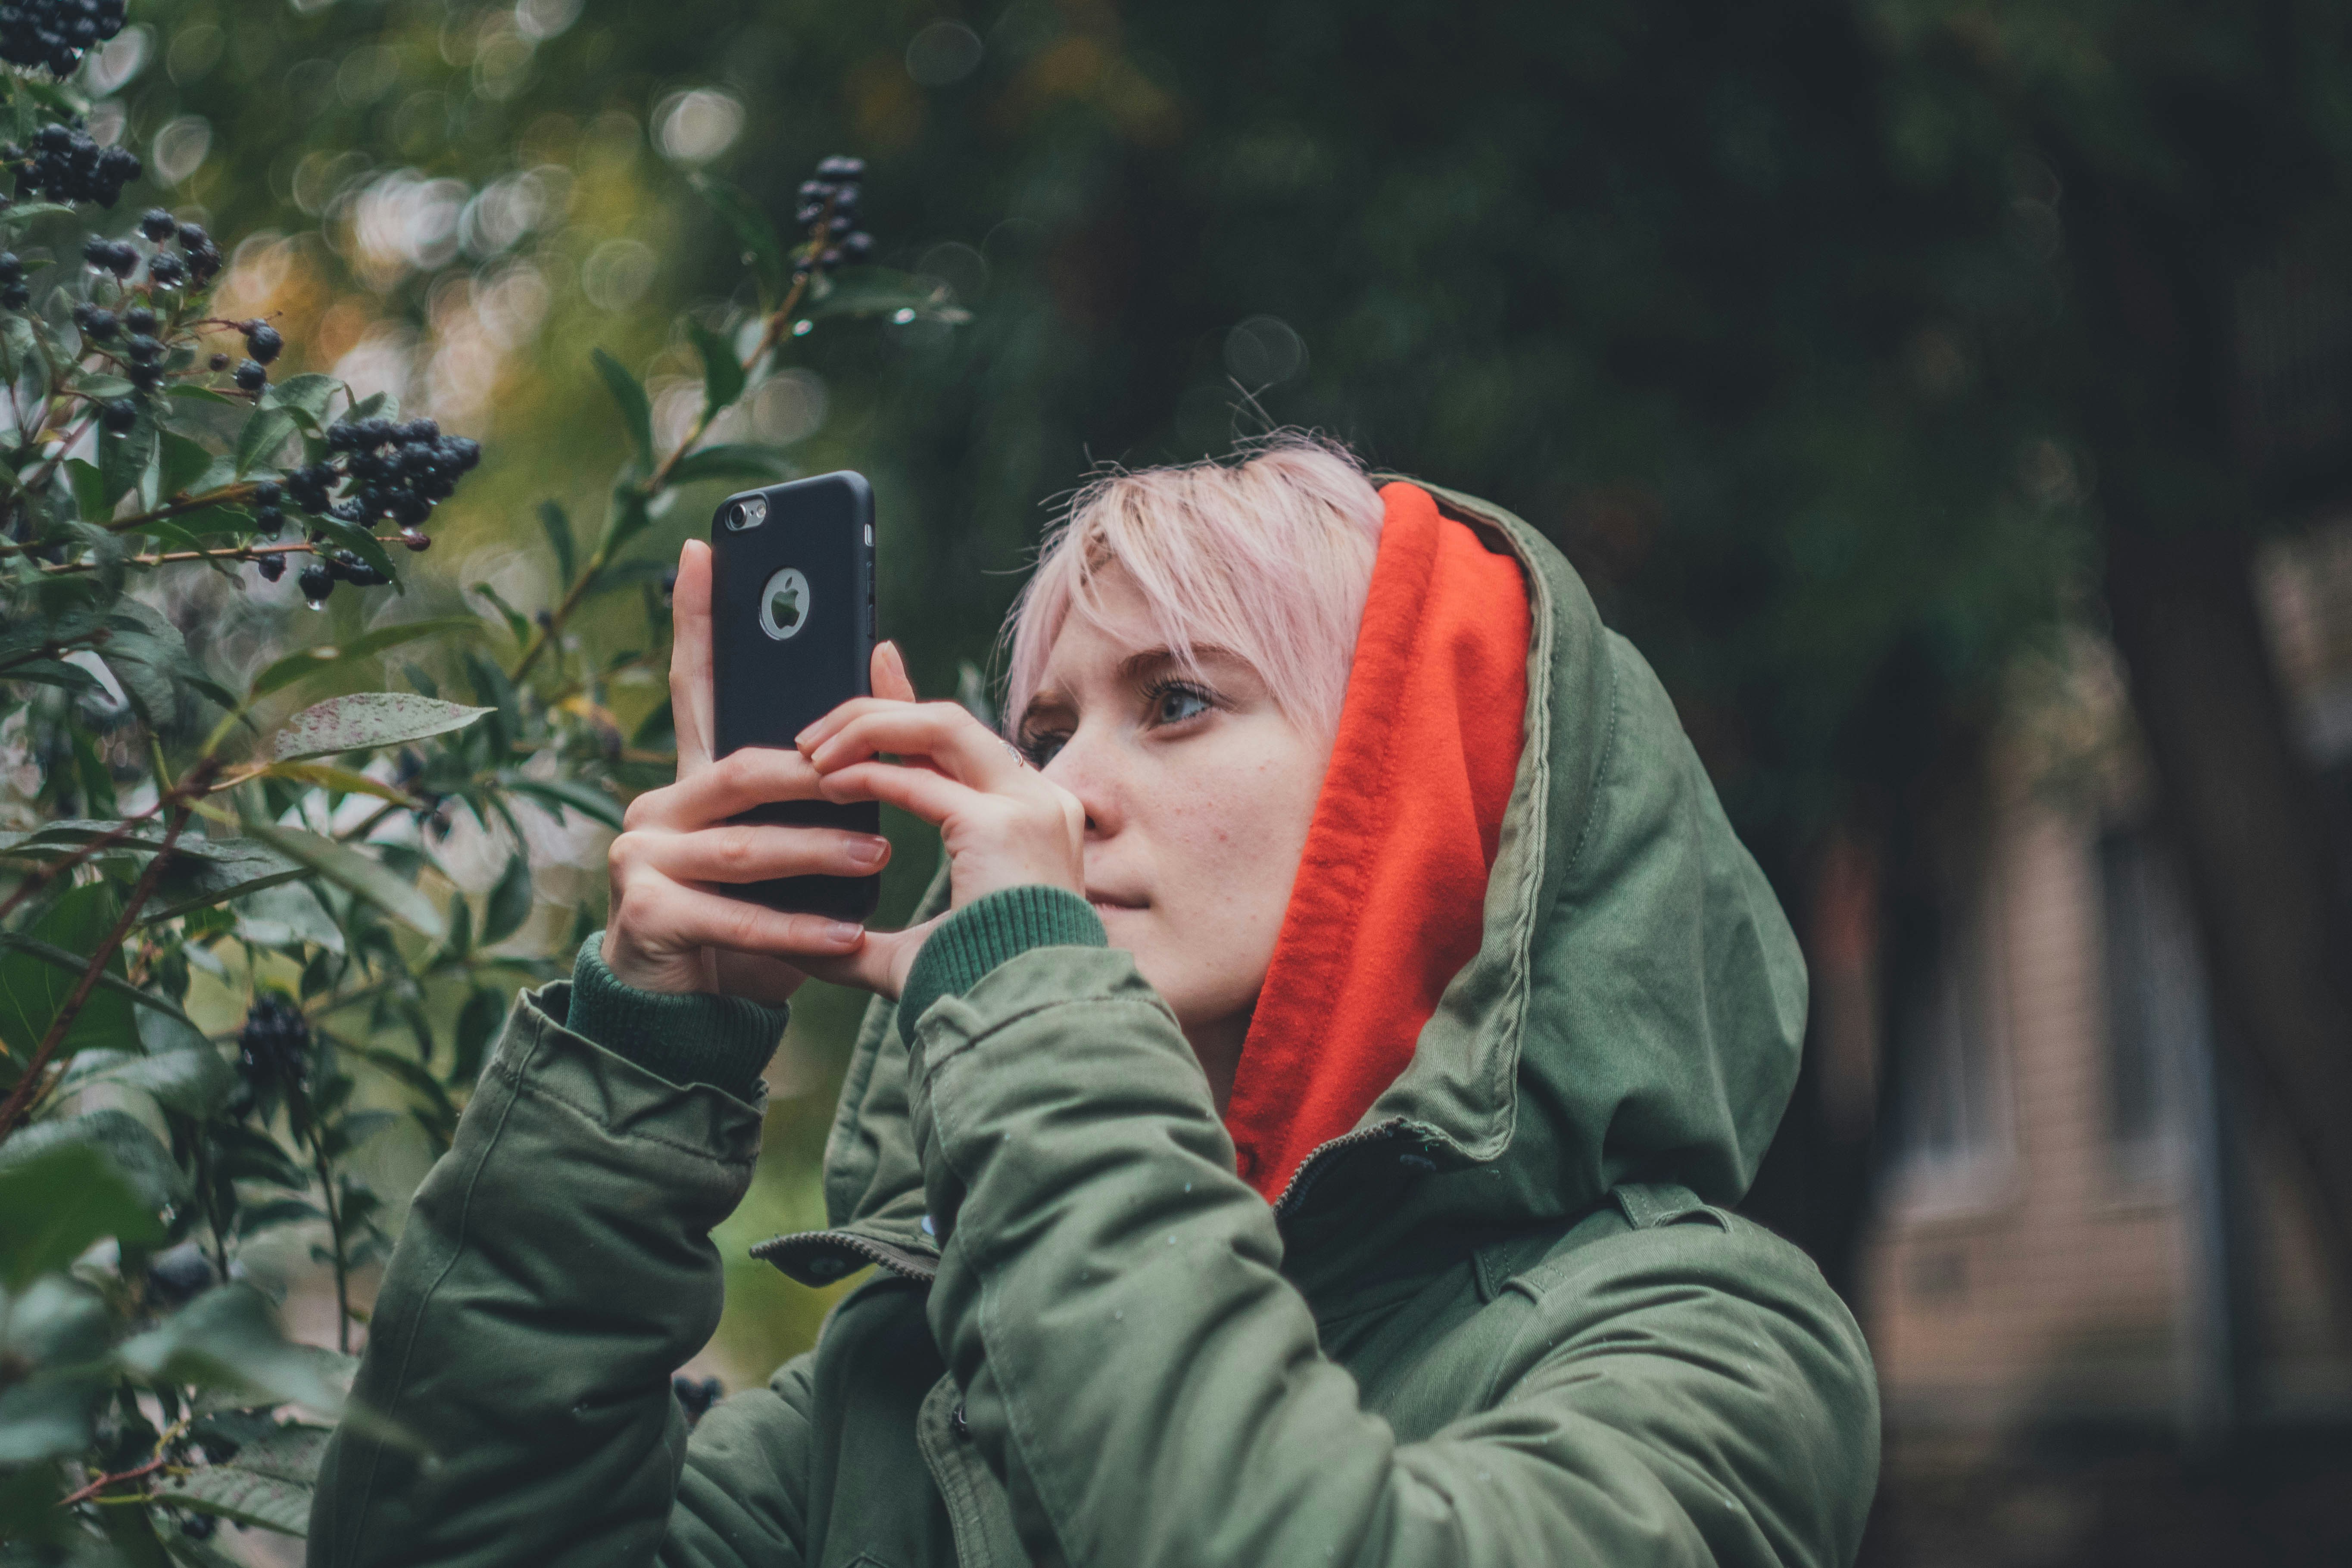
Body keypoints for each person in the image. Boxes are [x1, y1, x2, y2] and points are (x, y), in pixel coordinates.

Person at [310, 436, 1878, 1567]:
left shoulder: (1707, 1341)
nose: (1062, 793)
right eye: (1047, 729)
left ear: (1422, 789)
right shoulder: (894, 1384)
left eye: (1178, 702)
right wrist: (652, 1040)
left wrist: (1034, 1001)